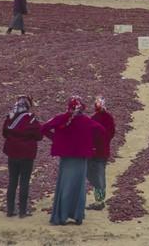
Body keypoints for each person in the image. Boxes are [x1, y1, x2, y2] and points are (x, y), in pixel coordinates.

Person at [41, 96, 106, 225]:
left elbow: (43, 128)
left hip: (66, 158)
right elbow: (101, 130)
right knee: (78, 187)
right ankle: (77, 216)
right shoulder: (86, 121)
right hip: (81, 158)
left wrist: (56, 139)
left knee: (65, 186)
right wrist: (89, 141)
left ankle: (62, 216)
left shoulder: (62, 118)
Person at [2, 95, 43, 218]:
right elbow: (39, 136)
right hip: (27, 155)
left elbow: (4, 133)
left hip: (12, 154)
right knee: (24, 181)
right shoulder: (31, 119)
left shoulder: (10, 118)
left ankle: (10, 210)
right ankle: (22, 211)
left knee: (12, 181)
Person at [87, 96, 115, 211]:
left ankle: (99, 201)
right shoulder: (109, 117)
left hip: (95, 152)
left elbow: (89, 134)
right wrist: (105, 141)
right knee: (100, 174)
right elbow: (112, 133)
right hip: (104, 151)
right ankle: (100, 199)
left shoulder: (93, 118)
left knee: (95, 175)